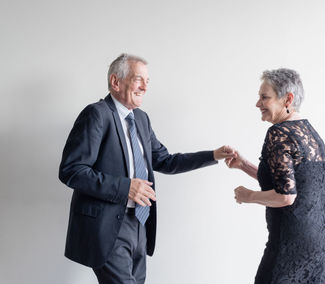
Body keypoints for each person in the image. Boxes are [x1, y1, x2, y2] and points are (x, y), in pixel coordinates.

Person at [59, 53, 234, 284]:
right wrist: (125, 188)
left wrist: (213, 155)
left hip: (140, 223)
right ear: (116, 82)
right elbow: (72, 170)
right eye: (138, 79)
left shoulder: (141, 119)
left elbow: (166, 161)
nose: (145, 87)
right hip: (108, 226)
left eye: (147, 81)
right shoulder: (97, 114)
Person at [225, 68, 325, 283]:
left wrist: (249, 196)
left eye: (264, 97)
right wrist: (244, 165)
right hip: (321, 234)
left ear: (288, 99)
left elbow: (286, 196)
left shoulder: (279, 133)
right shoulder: (310, 132)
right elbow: (290, 183)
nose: (258, 104)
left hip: (292, 237)